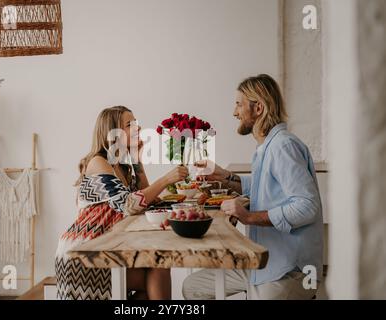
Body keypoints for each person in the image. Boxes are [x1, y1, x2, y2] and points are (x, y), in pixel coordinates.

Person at [183, 74, 323, 300]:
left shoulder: (283, 146)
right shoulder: (267, 147)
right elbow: (265, 189)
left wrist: (249, 217)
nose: (234, 112)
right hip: (263, 264)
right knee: (193, 287)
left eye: (239, 104)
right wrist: (225, 177)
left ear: (258, 108)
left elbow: (307, 207)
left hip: (291, 271)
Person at [55, 106, 188, 300]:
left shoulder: (122, 167)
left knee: (156, 275)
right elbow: (128, 205)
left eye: (136, 123)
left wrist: (136, 159)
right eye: (130, 124)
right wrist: (166, 179)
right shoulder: (98, 163)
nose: (137, 128)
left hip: (107, 249)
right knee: (157, 272)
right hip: (84, 253)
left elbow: (145, 200)